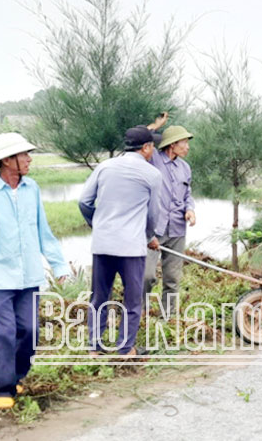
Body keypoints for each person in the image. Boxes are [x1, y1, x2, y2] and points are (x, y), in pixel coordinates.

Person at [0, 133, 72, 410]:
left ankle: (17, 376)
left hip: (29, 276)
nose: (29, 159)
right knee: (5, 332)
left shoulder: (31, 188)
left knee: (30, 330)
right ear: (7, 161)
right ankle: (0, 388)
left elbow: (42, 230)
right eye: (24, 155)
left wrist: (59, 265)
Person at [79, 126, 162, 358]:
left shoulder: (104, 167)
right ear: (146, 148)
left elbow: (84, 201)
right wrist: (149, 237)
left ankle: (94, 348)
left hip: (103, 244)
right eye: (152, 145)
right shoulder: (152, 174)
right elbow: (152, 215)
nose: (153, 149)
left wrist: (98, 224)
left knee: (99, 297)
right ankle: (125, 349)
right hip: (131, 248)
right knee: (133, 300)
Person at [144, 125, 196, 315]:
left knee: (172, 278)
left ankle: (169, 318)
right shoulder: (153, 160)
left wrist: (190, 209)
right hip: (153, 230)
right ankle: (139, 313)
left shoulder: (185, 167)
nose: (187, 147)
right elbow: (141, 138)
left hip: (177, 230)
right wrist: (154, 127)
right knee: (146, 276)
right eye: (184, 142)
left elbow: (187, 194)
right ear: (172, 145)